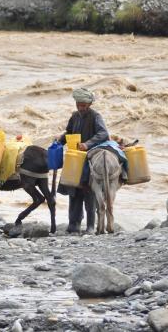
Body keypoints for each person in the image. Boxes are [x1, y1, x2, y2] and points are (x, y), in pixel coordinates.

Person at [56, 88, 109, 234]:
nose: (81, 108)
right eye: (78, 105)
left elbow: (103, 133)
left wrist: (87, 144)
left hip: (89, 158)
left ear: (90, 104)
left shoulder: (95, 116)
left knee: (88, 191)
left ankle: (91, 226)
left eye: (83, 105)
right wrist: (59, 141)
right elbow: (69, 132)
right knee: (73, 190)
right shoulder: (75, 116)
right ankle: (74, 224)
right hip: (74, 158)